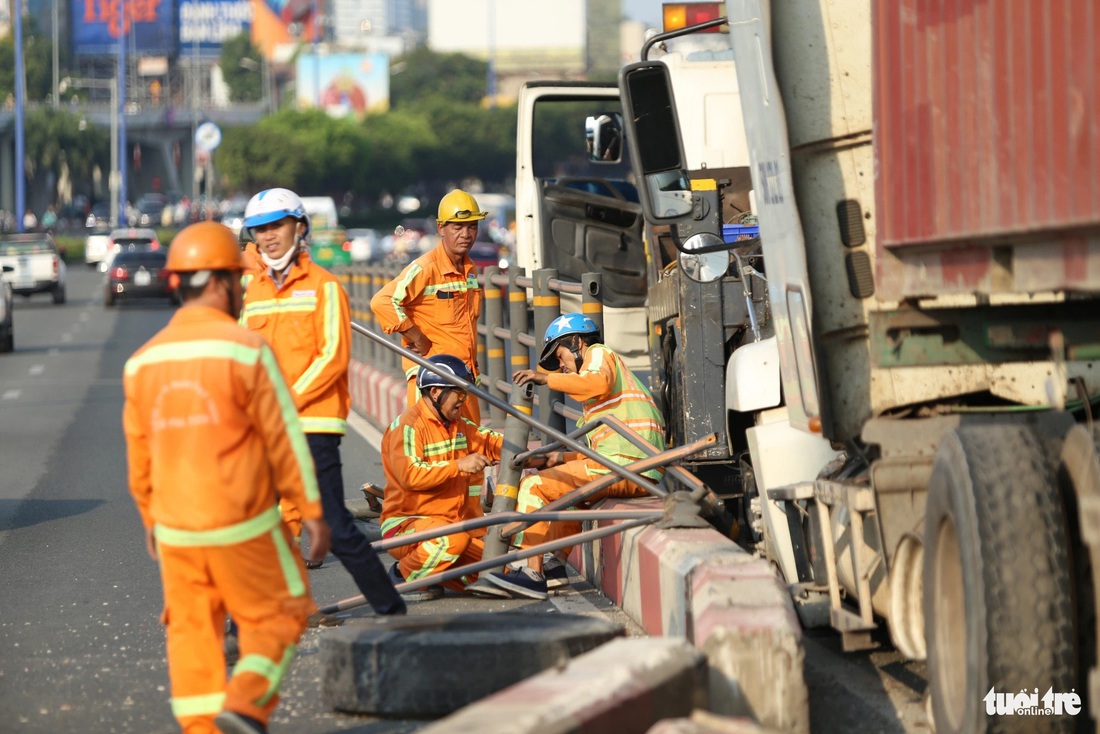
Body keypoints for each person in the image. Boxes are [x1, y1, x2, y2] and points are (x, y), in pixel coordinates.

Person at [122, 221, 332, 734]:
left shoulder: (141, 364)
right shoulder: (247, 351)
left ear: (177, 282)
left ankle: (202, 729)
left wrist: (152, 520)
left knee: (192, 635)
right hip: (244, 523)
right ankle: (245, 704)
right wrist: (314, 511)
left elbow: (140, 459)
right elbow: (284, 441)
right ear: (219, 282)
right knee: (284, 614)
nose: (243, 288)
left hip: (175, 529)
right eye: (239, 280)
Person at [240, 187, 406, 616]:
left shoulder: (325, 287)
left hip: (313, 425)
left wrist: (285, 401)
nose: (269, 237)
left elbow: (332, 355)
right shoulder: (254, 292)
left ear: (300, 228)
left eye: (277, 226)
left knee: (336, 527)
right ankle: (256, 622)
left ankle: (390, 609)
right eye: (260, 230)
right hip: (268, 427)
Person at [484, 313, 666, 600]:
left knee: (535, 487)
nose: (562, 367)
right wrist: (552, 460)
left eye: (561, 357)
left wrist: (546, 378)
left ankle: (532, 574)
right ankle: (555, 567)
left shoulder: (598, 353)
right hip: (630, 467)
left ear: (577, 343)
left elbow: (596, 383)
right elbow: (595, 454)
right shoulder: (603, 401)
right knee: (566, 495)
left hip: (625, 466)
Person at [371, 188, 490, 515]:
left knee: (473, 451)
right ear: (441, 228)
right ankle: (432, 525)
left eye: (471, 227)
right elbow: (382, 301)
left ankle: (472, 521)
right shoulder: (424, 267)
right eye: (457, 227)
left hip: (466, 382)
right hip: (432, 386)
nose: (466, 234)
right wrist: (414, 335)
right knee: (434, 456)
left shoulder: (470, 271)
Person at [379, 354, 503, 595]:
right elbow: (410, 475)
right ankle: (399, 576)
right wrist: (459, 465)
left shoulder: (459, 424)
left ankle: (430, 574)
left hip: (455, 527)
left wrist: (539, 454)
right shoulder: (407, 426)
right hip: (407, 524)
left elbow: (490, 442)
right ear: (436, 392)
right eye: (460, 393)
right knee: (451, 540)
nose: (464, 400)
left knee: (499, 576)